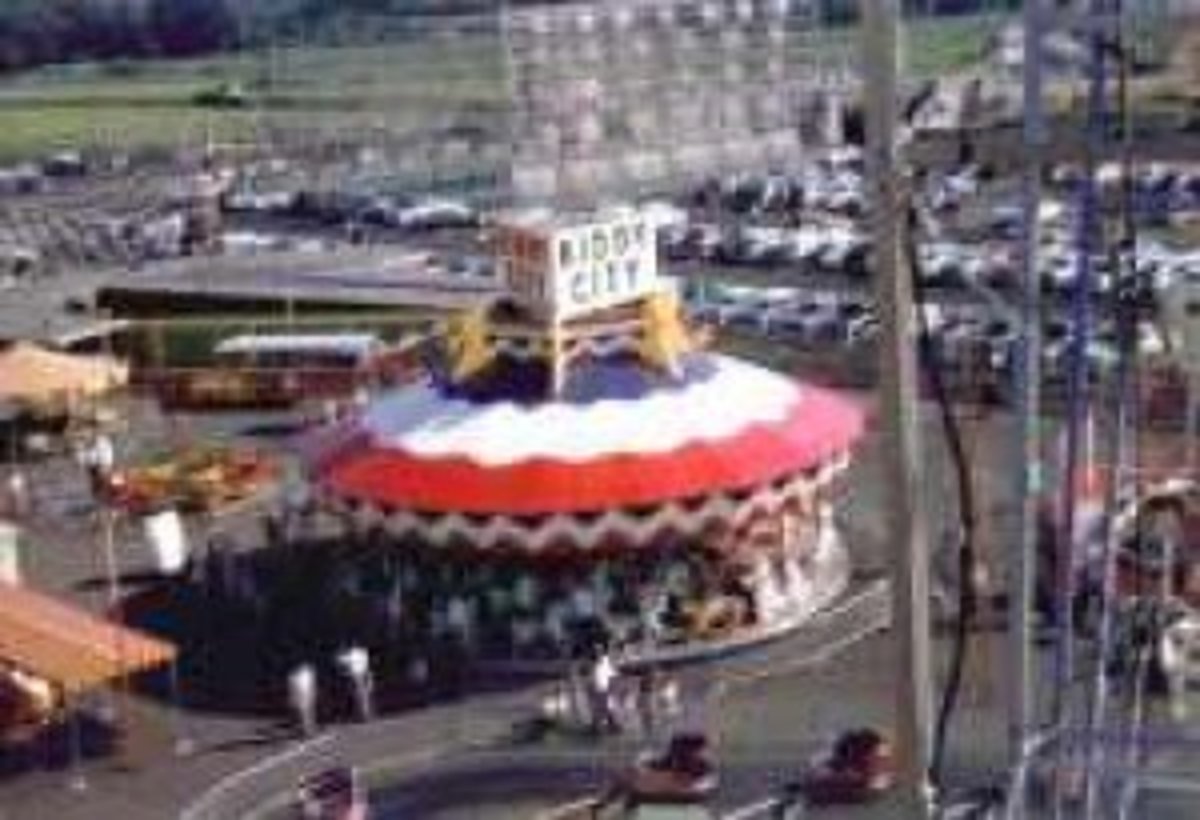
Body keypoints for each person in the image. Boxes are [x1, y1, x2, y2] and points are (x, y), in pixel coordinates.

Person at [336, 646, 375, 722]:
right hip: (359, 674)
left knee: (360, 696)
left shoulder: (354, 654)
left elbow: (342, 661)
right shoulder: (362, 653)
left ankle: (364, 715)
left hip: (357, 675)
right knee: (362, 696)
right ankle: (364, 715)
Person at [288, 663, 319, 737]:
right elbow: (293, 690)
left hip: (305, 697)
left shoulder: (305, 675)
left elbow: (310, 688)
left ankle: (308, 730)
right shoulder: (293, 677)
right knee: (300, 712)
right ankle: (303, 730)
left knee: (307, 712)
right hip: (300, 698)